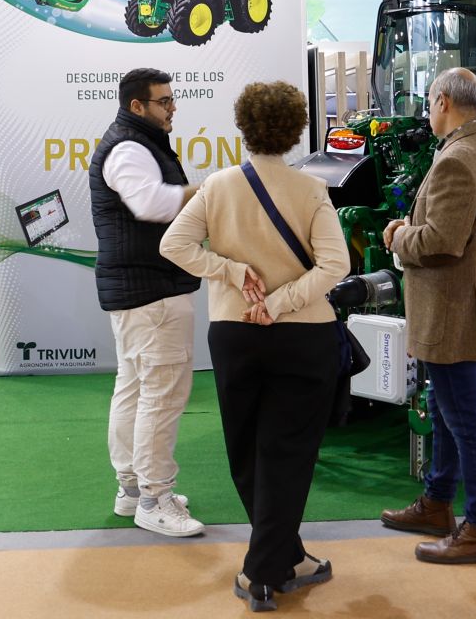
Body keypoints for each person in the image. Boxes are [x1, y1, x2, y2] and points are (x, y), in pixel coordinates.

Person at [161, 81, 347, 610]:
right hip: (303, 334)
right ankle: (264, 569)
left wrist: (230, 270)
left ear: (243, 126)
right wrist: (283, 300)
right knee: (289, 452)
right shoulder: (311, 190)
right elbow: (337, 265)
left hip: (234, 332)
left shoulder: (217, 186)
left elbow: (172, 244)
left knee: (246, 448)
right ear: (295, 131)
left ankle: (285, 559)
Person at [377, 67, 476, 566]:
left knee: (467, 422)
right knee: (446, 413)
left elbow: (442, 241)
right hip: (468, 309)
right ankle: (437, 504)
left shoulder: (458, 160)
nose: (427, 109)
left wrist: (398, 236)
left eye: (429, 101)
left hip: (454, 314)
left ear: (443, 101)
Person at [93, 67, 204, 539]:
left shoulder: (136, 142)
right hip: (151, 291)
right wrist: (213, 192)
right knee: (160, 393)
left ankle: (134, 490)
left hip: (145, 290)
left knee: (138, 388)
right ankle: (154, 498)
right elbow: (151, 205)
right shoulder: (129, 146)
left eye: (172, 99)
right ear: (137, 106)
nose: (172, 106)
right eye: (164, 101)